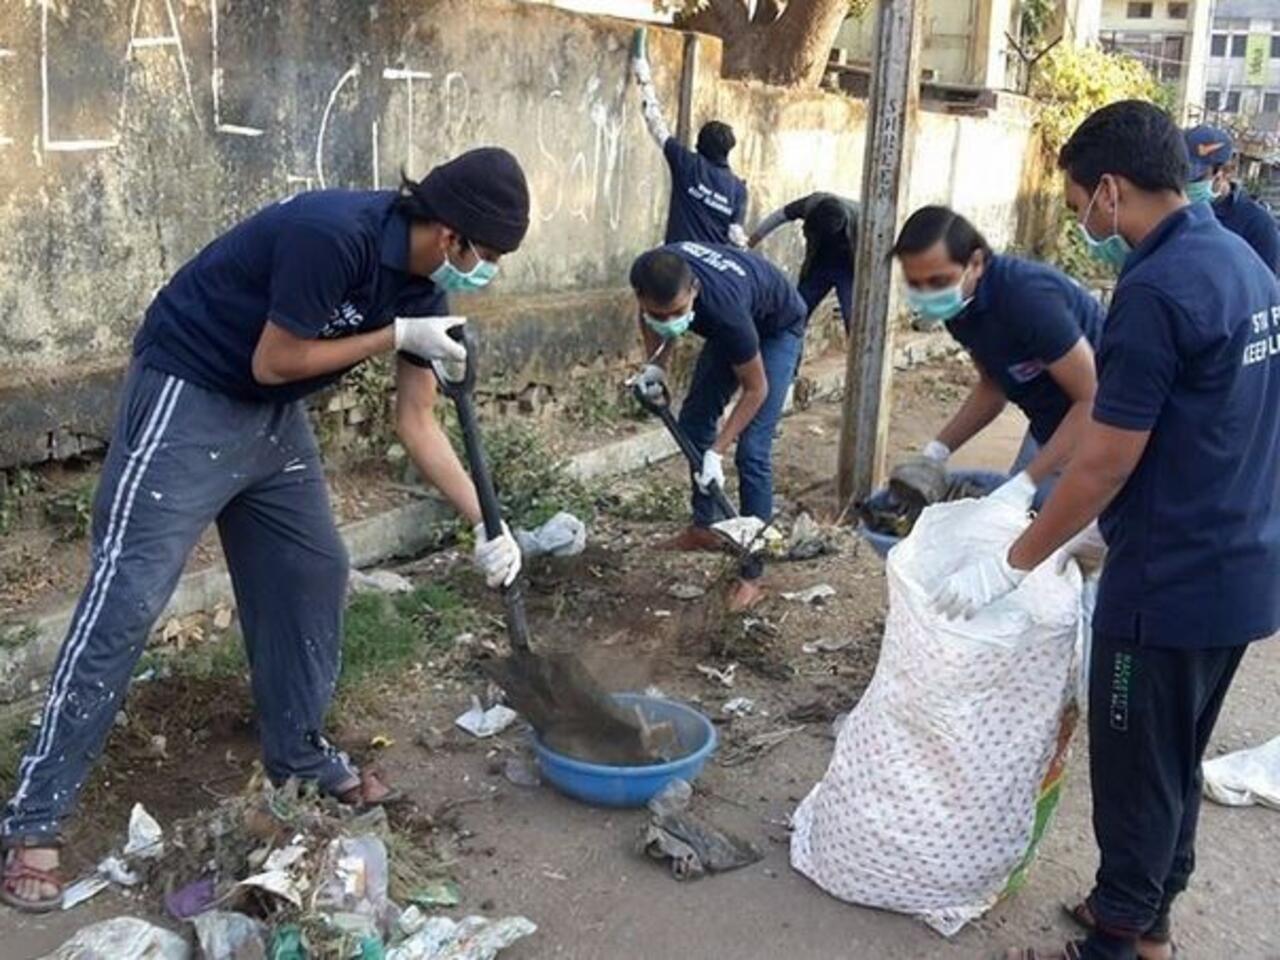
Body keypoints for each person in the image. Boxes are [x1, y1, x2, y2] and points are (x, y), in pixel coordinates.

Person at [1, 148, 531, 912]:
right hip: (191, 395)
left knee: (314, 569)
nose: (488, 272)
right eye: (489, 256)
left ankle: (299, 758)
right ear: (452, 233)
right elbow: (274, 359)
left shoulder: (429, 285)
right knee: (128, 601)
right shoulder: (336, 234)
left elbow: (416, 421)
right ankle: (33, 821)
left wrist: (490, 524)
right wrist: (393, 337)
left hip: (270, 425)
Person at [934, 101, 1280, 960]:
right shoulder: (1243, 262)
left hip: (1165, 583)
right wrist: (1022, 487)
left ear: (1111, 192)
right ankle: (1145, 921)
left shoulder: (1154, 289)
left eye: (1079, 200)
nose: (1081, 220)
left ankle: (1116, 945)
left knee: (1131, 775)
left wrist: (1012, 562)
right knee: (1175, 762)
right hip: (1244, 565)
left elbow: (1107, 461)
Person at [630, 241, 807, 611]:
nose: (667, 322)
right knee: (694, 420)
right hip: (735, 314)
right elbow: (652, 320)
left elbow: (756, 389)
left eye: (676, 312)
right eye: (657, 314)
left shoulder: (725, 313)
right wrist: (655, 366)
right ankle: (703, 528)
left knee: (752, 450)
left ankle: (752, 573)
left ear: (694, 290)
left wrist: (716, 452)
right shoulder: (654, 270)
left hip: (776, 325)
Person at [891, 205, 1104, 511]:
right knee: (1019, 514)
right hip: (1053, 419)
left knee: (1052, 523)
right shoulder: (961, 308)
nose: (927, 294)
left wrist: (1029, 481)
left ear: (975, 263)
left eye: (938, 282)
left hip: (1110, 419)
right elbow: (994, 386)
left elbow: (1092, 399)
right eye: (915, 284)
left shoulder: (1027, 298)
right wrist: (936, 452)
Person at [631, 54, 748, 247]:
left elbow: (656, 124)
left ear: (700, 146)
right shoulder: (738, 189)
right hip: (710, 270)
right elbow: (736, 235)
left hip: (677, 259)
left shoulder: (687, 164)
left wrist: (643, 75)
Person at [748, 192, 860, 331]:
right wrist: (754, 239)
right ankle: (792, 350)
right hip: (819, 264)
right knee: (797, 311)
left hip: (847, 268)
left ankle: (857, 351)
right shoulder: (810, 204)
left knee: (853, 318)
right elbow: (779, 216)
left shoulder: (861, 218)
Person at [1184, 124, 1279, 273]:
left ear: (1227, 171)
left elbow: (1266, 290)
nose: (1186, 185)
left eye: (1196, 178)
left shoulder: (1257, 224)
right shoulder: (1171, 212)